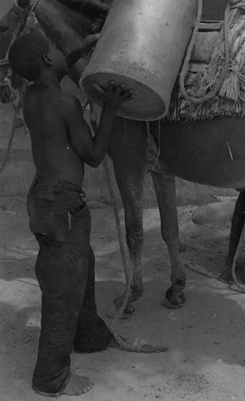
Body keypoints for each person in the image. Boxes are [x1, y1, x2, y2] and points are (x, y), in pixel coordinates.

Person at [8, 29, 134, 397]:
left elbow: (55, 66)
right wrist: (110, 107)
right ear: (48, 60)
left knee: (83, 268)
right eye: (57, 48)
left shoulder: (33, 95)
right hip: (62, 204)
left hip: (45, 198)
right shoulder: (66, 105)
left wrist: (84, 44)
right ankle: (51, 378)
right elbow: (94, 157)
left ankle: (89, 335)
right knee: (63, 290)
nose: (65, 51)